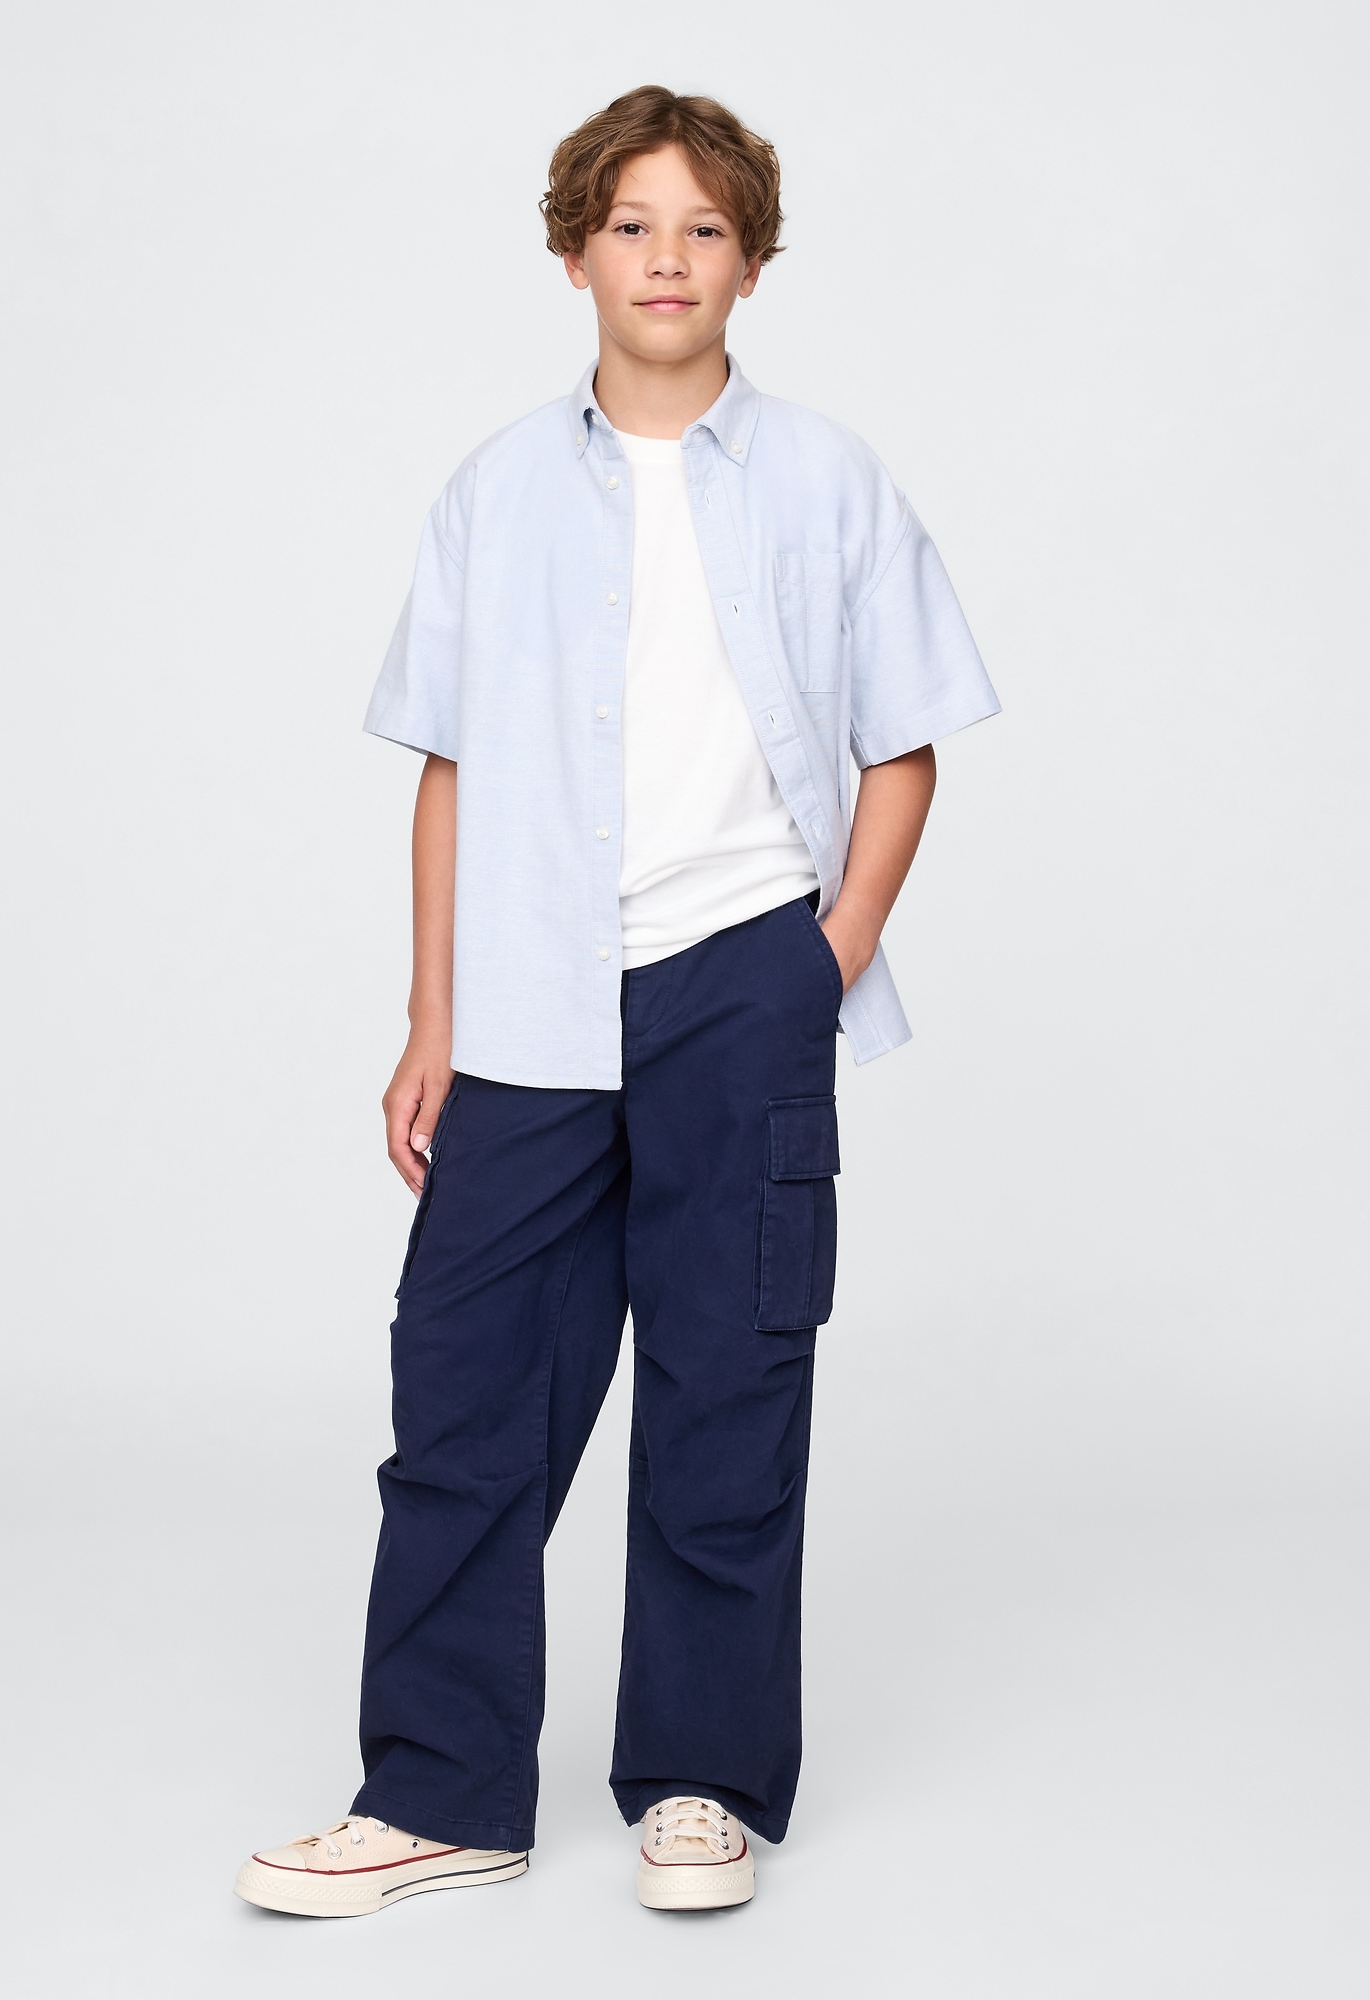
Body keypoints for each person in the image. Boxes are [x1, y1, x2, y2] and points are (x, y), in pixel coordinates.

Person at [235, 83, 998, 1920]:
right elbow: (446, 769)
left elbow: (906, 745)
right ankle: (440, 1793)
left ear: (753, 261)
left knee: (730, 1382)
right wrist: (429, 1020)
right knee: (465, 1390)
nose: (668, 258)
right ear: (576, 251)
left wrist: (825, 955)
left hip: (745, 977)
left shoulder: (829, 480)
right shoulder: (496, 489)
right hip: (526, 995)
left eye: (705, 228)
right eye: (633, 225)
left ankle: (701, 1783)